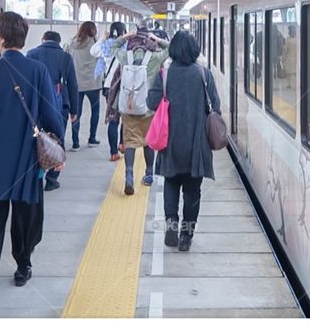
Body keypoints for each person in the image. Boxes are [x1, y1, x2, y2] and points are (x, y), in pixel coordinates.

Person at [0, 12, 65, 318]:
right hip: (27, 162)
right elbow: (51, 116)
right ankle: (23, 265)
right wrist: (56, 146)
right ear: (23, 37)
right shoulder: (38, 71)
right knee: (26, 218)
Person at [146, 31, 220, 251]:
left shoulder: (164, 75)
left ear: (173, 50)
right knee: (192, 190)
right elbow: (215, 106)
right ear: (195, 50)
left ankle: (171, 223)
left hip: (170, 141)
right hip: (197, 143)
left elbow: (151, 103)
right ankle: (187, 236)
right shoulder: (203, 74)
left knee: (171, 182)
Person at [112, 26, 170, 194]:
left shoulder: (125, 57)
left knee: (130, 141)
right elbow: (172, 49)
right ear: (148, 41)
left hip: (129, 107)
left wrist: (124, 37)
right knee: (147, 141)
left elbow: (113, 47)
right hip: (148, 108)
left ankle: (129, 175)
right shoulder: (154, 58)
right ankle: (149, 174)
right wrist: (158, 40)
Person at [27, 30, 78, 191]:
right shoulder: (66, 57)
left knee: (36, 139)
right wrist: (74, 110)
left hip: (36, 105)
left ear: (43, 40)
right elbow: (72, 84)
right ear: (59, 42)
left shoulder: (32, 53)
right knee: (57, 138)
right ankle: (52, 178)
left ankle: (35, 174)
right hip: (59, 104)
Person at [91, 21, 128, 160]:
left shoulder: (106, 45)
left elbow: (93, 51)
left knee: (113, 119)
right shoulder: (127, 46)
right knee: (125, 116)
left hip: (109, 86)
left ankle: (113, 153)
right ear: (123, 32)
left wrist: (103, 38)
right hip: (124, 85)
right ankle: (122, 144)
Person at [65, 21, 102, 150]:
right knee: (95, 111)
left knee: (76, 112)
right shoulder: (96, 44)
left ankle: (75, 143)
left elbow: (66, 59)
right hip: (93, 83)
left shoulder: (71, 43)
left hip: (76, 83)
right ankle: (92, 138)